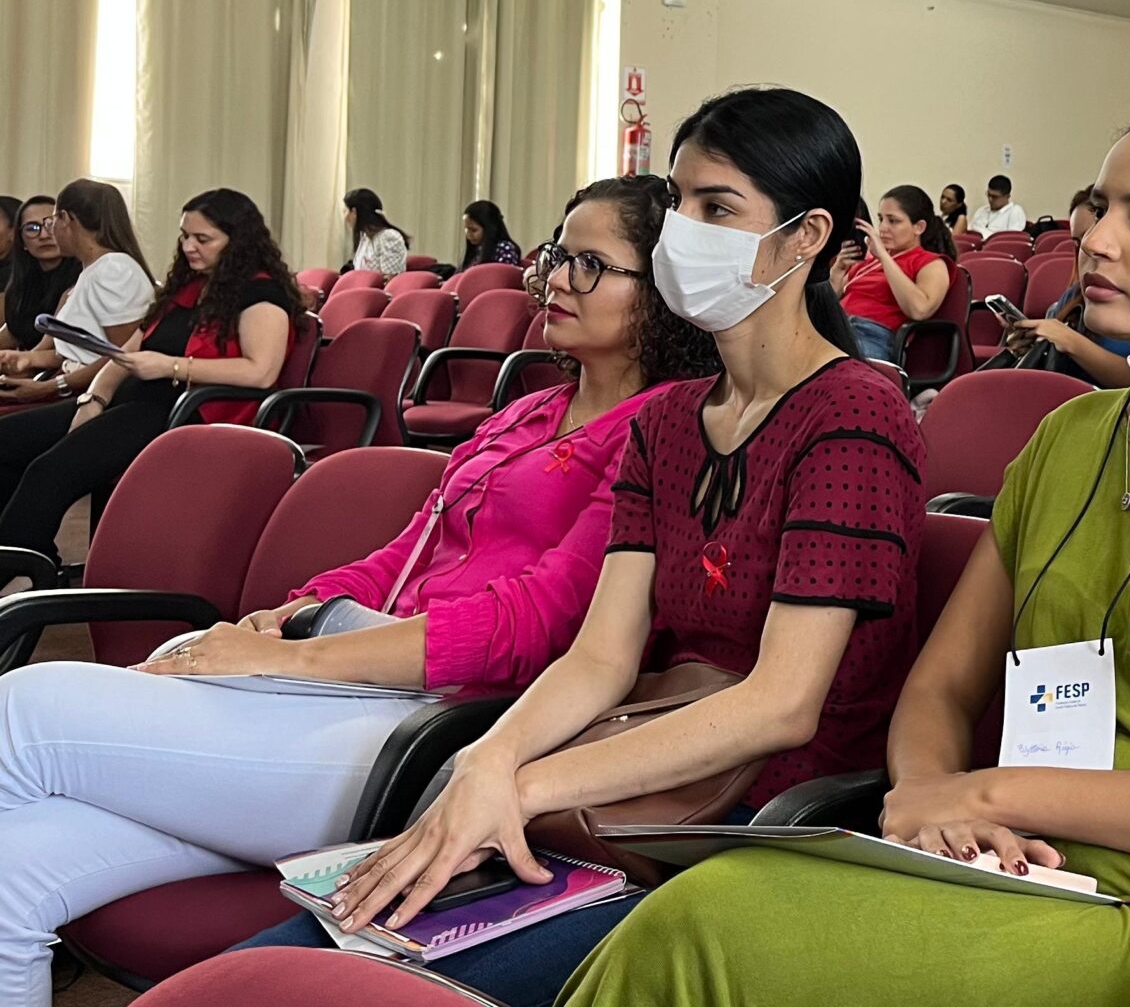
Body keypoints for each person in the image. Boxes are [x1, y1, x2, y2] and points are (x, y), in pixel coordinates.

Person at [558, 101, 1130, 1007]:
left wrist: (990, 797)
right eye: (1102, 208)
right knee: (707, 907)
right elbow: (941, 688)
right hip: (1015, 860)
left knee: (706, 936)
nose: (1097, 241)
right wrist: (931, 797)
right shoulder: (1066, 438)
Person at [251, 87, 927, 1006]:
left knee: (356, 982)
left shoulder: (853, 414)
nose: (682, 231)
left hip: (746, 826)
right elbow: (601, 657)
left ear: (804, 237)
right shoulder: (671, 420)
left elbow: (781, 705)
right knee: (297, 955)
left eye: (718, 208)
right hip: (631, 785)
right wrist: (492, 762)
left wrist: (524, 787)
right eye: (679, 203)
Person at [0, 177, 716, 1007]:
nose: (557, 278)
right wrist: (295, 610)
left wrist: (293, 661)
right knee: (12, 874)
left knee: (24, 710)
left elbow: (535, 622)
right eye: (559, 255)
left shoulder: (659, 430)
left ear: (661, 289)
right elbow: (406, 553)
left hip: (441, 728)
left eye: (591, 264)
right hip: (351, 688)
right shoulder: (529, 412)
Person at [0, 187, 286, 582]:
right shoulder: (189, 286)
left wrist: (170, 366)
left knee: (50, 471)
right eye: (185, 236)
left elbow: (261, 371)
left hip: (184, 412)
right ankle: (30, 555)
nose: (188, 247)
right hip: (136, 398)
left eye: (203, 239)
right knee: (7, 440)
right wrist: (94, 397)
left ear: (238, 241)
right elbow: (127, 352)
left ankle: (20, 567)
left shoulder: (260, 293)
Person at [0, 181, 154, 412]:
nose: (49, 232)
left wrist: (49, 386)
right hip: (70, 385)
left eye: (52, 221)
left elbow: (122, 358)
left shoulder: (114, 270)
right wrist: (28, 360)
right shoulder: (92, 270)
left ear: (65, 218)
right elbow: (84, 351)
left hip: (93, 396)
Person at [1003, 188, 1130, 388]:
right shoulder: (1073, 297)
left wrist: (1068, 340)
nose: (1089, 248)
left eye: (1092, 234)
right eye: (1078, 243)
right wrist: (1031, 348)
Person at [831, 184, 955, 362]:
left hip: (870, 335)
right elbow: (827, 302)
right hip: (836, 328)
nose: (882, 227)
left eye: (893, 221)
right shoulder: (868, 262)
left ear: (919, 227)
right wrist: (838, 271)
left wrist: (884, 257)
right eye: (881, 219)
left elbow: (919, 310)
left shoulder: (931, 262)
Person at [0, 197, 77, 354]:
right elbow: (14, 332)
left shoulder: (82, 277)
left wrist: (25, 360)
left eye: (51, 224)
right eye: (32, 228)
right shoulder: (21, 281)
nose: (44, 235)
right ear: (21, 240)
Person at [344, 189, 410, 276]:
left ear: (354, 212)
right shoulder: (365, 237)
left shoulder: (389, 237)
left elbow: (390, 278)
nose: (345, 217)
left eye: (345, 211)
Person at [460, 199, 523, 268]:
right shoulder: (476, 250)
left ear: (490, 228)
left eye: (473, 230)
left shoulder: (505, 249)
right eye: (466, 229)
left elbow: (506, 273)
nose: (468, 235)